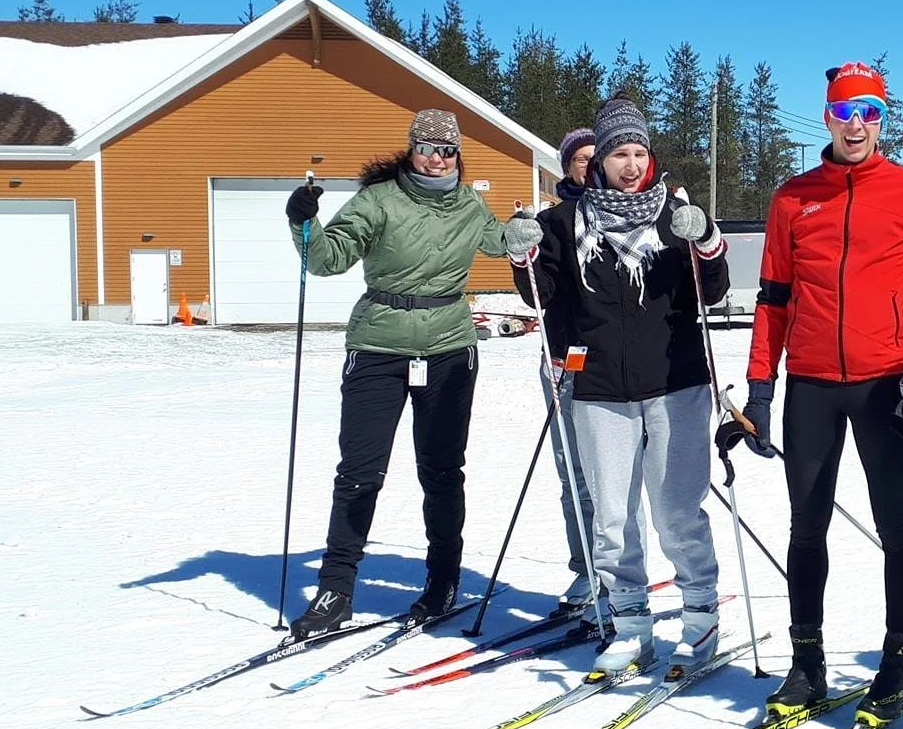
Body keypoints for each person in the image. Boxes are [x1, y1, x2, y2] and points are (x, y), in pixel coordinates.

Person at [738, 61, 903, 725]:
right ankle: (807, 663)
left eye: (870, 113)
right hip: (810, 385)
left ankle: (897, 659)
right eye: (844, 112)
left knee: (898, 526)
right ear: (827, 118)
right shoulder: (791, 198)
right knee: (805, 528)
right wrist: (759, 389)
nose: (856, 125)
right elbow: (772, 301)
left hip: (882, 384)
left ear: (882, 121)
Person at [284, 109, 539, 638]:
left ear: (457, 155)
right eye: (426, 146)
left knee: (442, 472)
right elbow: (327, 260)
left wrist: (526, 230)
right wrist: (303, 220)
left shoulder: (469, 202)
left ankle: (443, 580)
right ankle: (335, 590)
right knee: (358, 473)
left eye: (446, 149)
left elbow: (501, 241)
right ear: (410, 148)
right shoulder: (378, 201)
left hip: (449, 347)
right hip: (378, 346)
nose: (435, 157)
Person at [512, 97, 731, 673]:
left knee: (676, 510)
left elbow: (712, 291)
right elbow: (544, 294)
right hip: (600, 387)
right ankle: (631, 624)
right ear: (600, 161)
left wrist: (705, 239)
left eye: (639, 152)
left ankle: (701, 619)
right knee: (612, 517)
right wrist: (522, 255)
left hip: (676, 382)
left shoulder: (673, 215)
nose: (631, 164)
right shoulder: (564, 222)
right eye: (619, 154)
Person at [540, 127, 603, 620]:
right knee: (574, 474)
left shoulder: (624, 215)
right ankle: (586, 566)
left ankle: (620, 568)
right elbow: (538, 294)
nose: (589, 165)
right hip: (565, 360)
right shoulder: (552, 222)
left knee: (617, 476)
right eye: (580, 158)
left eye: (594, 157)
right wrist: (524, 261)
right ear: (567, 167)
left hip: (618, 365)